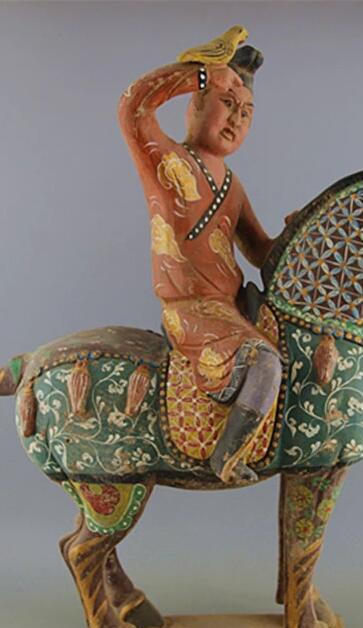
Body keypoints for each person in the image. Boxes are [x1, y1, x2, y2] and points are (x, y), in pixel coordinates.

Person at [117, 30, 282, 485]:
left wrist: (303, 234)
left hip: (232, 307)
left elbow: (260, 250)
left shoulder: (231, 185)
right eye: (228, 104)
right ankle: (225, 455)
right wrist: (200, 74)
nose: (236, 119)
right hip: (190, 310)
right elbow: (133, 108)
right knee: (265, 364)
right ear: (195, 106)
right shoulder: (168, 159)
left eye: (246, 112)